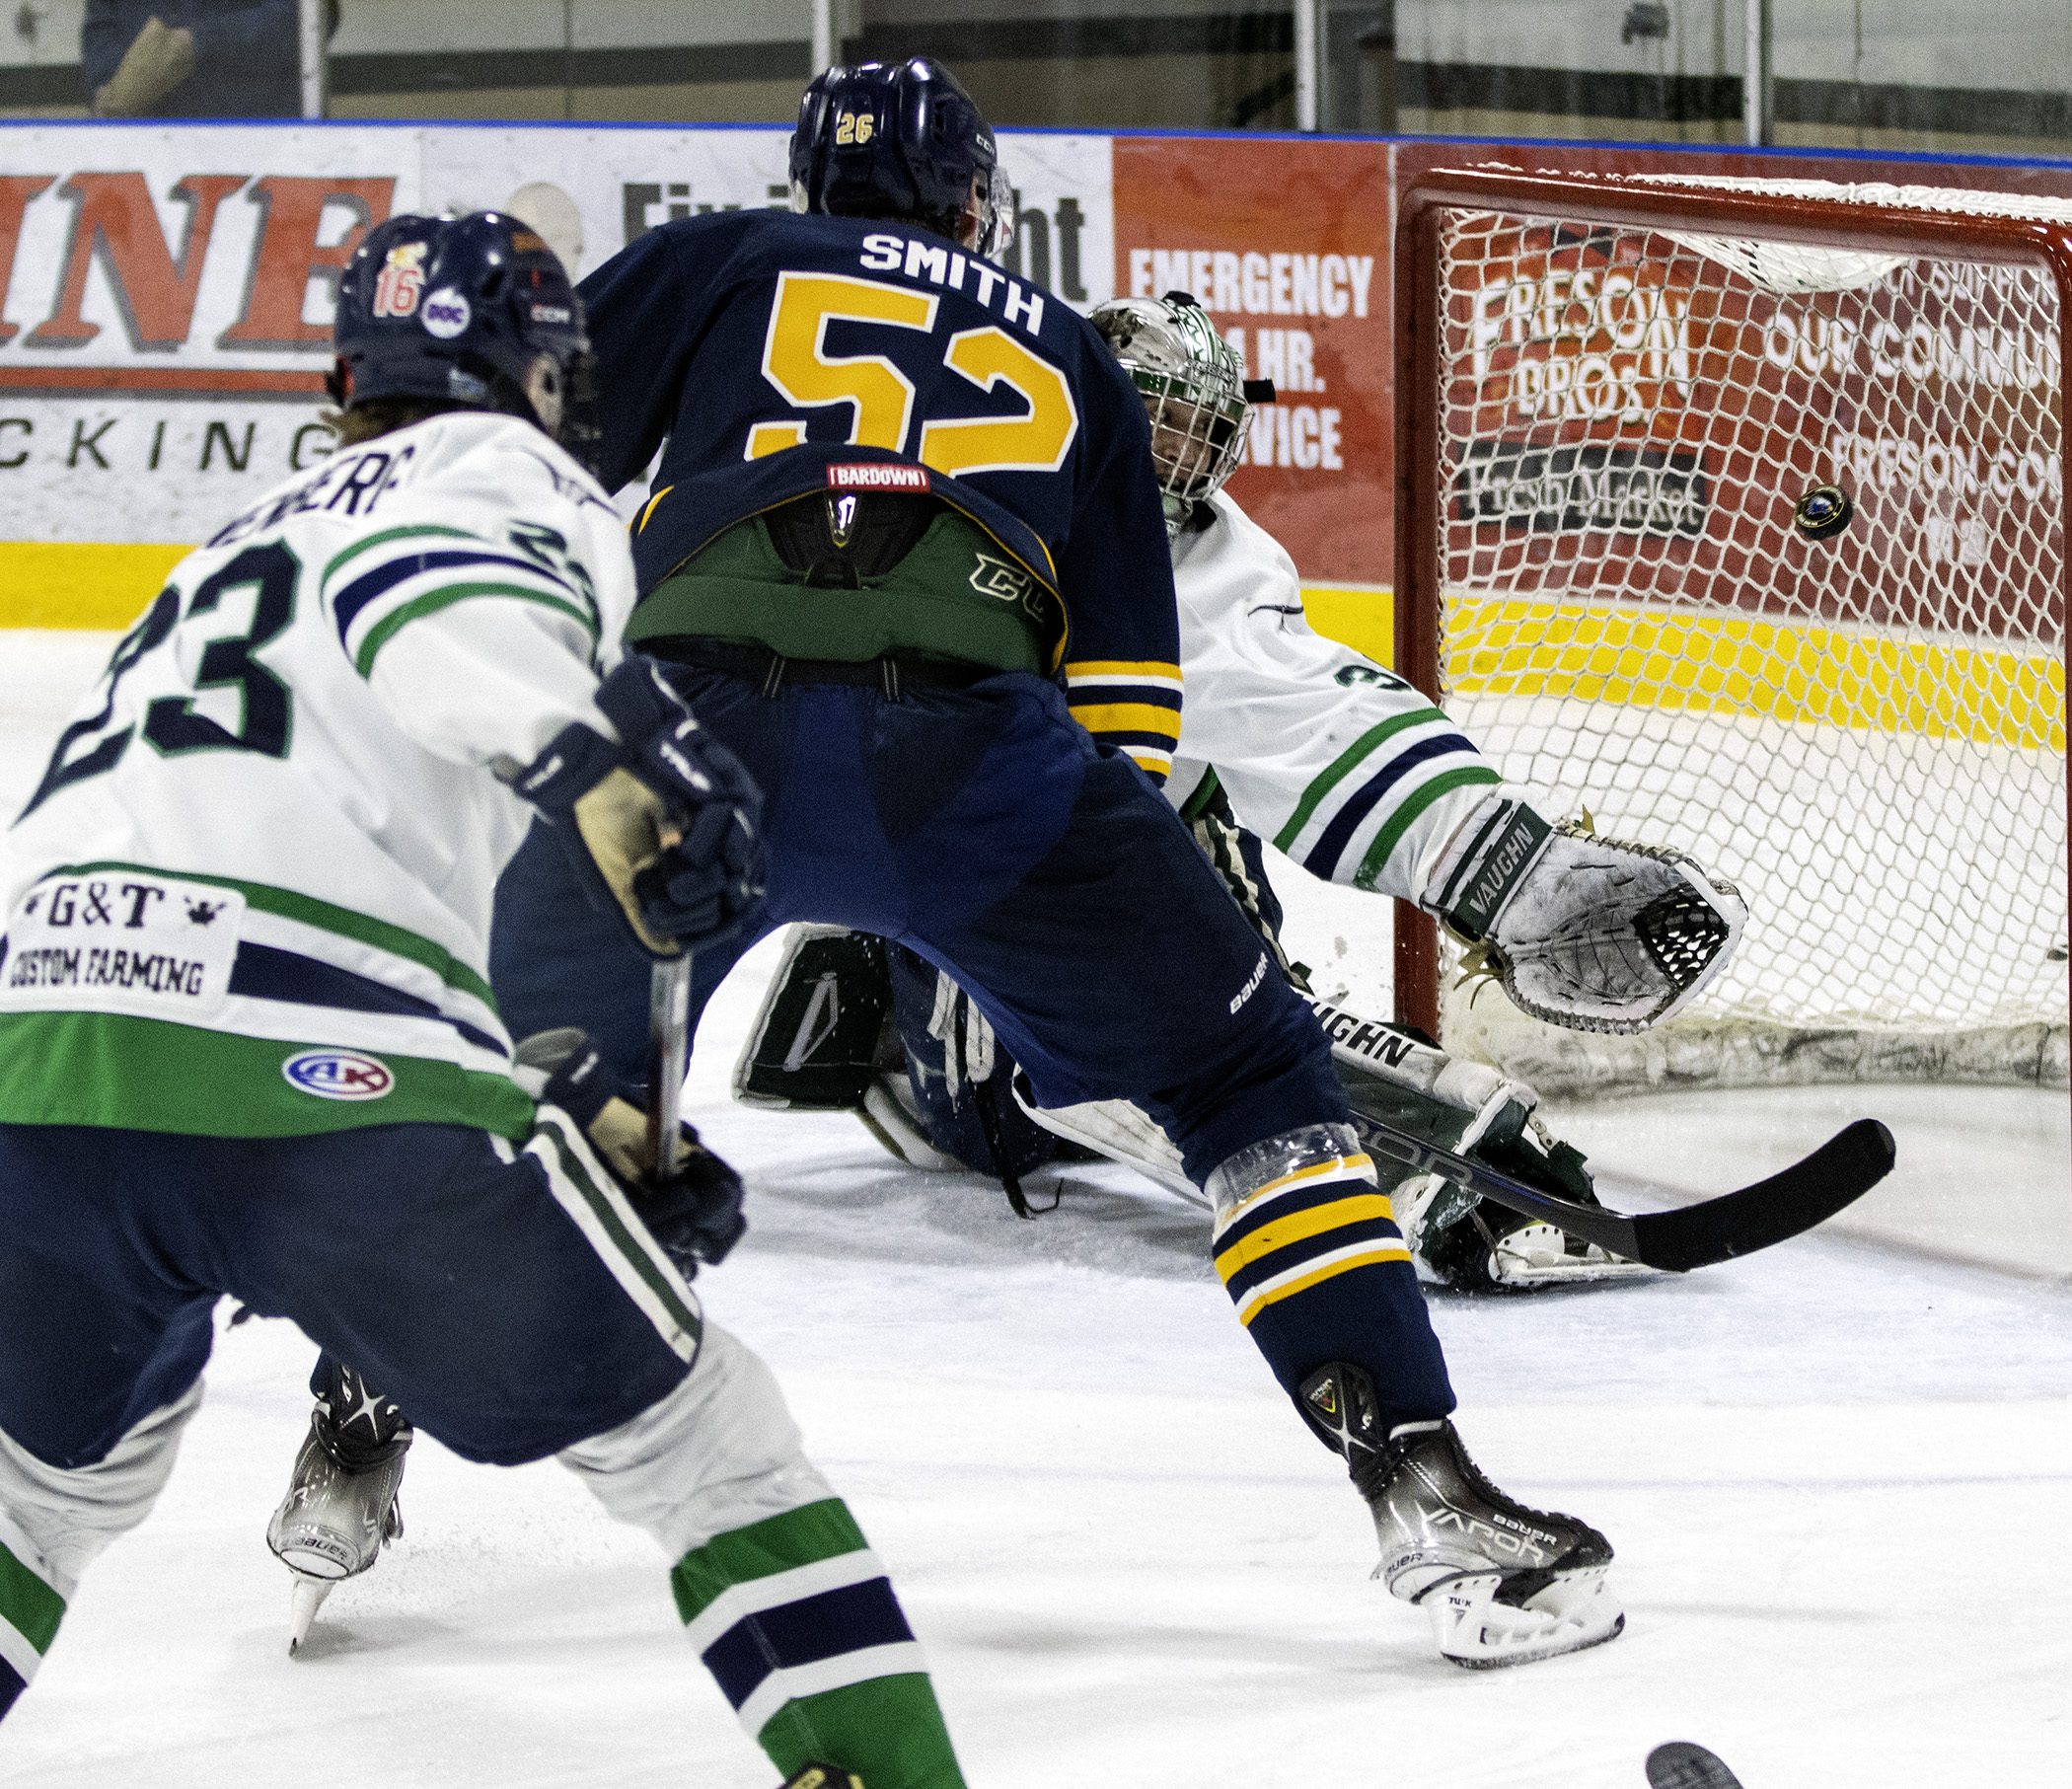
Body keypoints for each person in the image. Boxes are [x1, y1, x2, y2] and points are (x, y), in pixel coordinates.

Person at [0, 209, 967, 1789]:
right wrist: (629, 789)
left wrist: (603, 1123)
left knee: (35, 1502)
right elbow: (443, 620)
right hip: (310, 1085)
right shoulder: (504, 475)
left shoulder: (230, 544)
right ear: (542, 371)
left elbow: (302, 865)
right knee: (707, 1440)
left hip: (39, 1061)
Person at [736, 290, 1740, 1293]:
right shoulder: (1096, 548)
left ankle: (949, 1005)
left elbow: (1294, 703)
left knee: (1162, 795)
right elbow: (1284, 702)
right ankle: (1350, 1141)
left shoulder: (1083, 516)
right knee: (1100, 915)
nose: (1179, 456)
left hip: (937, 917)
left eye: (1197, 430)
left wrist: (1503, 864)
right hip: (997, 1028)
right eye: (1157, 421)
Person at [84, 1, 333, 118]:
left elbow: (313, 16)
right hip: (143, 138)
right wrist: (104, 85)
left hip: (253, 134)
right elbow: (102, 20)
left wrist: (200, 40)